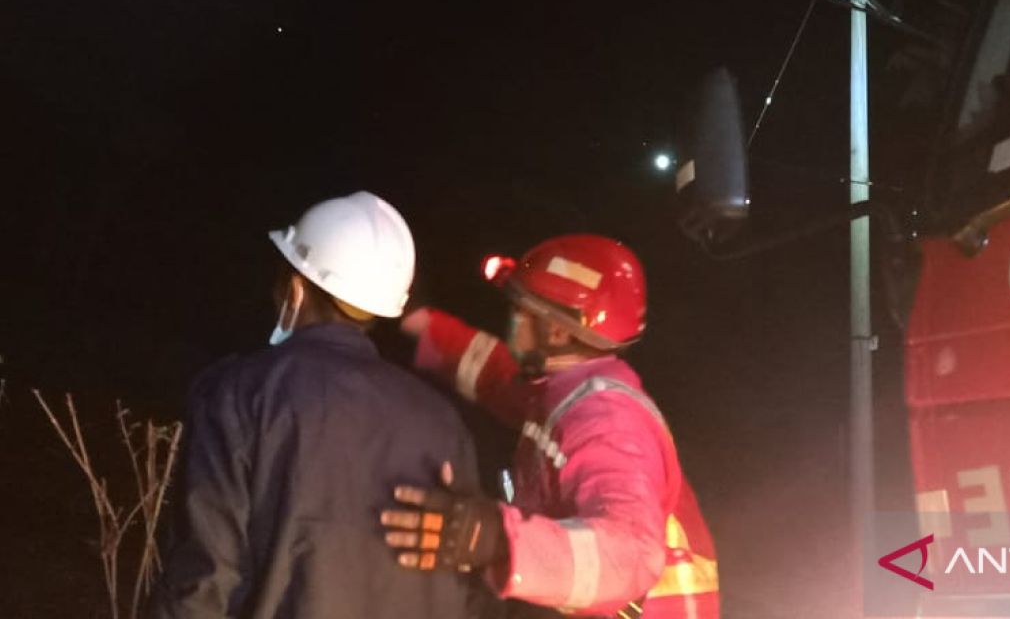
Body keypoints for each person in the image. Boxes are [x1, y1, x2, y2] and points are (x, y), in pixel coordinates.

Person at [152, 191, 479, 618]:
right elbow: (468, 588)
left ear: (295, 288)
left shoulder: (242, 393)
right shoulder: (443, 423)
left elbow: (205, 576)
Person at [381, 234, 719, 618]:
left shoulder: (607, 421)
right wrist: (420, 324)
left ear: (557, 332)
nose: (511, 318)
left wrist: (495, 538)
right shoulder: (565, 390)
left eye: (521, 311)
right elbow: (496, 376)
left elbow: (631, 555)